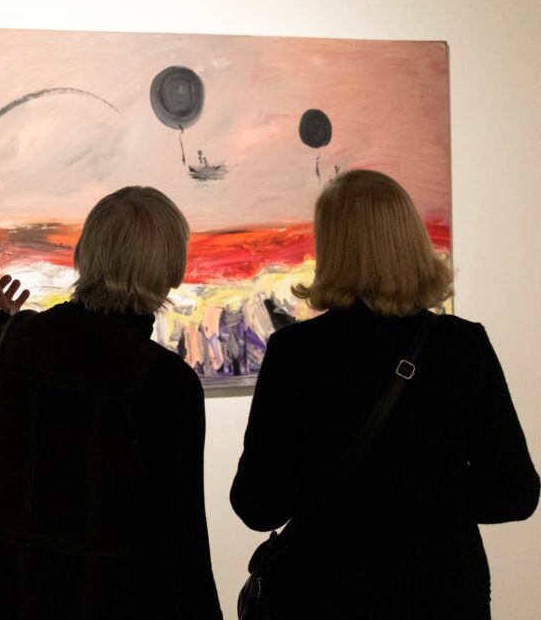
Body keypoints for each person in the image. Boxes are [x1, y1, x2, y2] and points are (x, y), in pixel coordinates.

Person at [231, 170, 539, 619]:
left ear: (331, 247)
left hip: (322, 592)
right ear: (409, 239)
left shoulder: (295, 353)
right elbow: (515, 493)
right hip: (441, 592)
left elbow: (257, 505)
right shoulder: (461, 345)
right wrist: (432, 497)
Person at [0, 186, 222, 620]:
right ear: (169, 269)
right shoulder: (166, 382)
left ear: (87, 253)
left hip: (9, 597)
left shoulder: (18, 340)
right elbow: (181, 544)